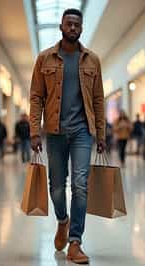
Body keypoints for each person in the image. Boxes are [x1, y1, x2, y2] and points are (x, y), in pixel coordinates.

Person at [29, 9, 105, 264]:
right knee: (57, 187)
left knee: (80, 185)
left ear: (81, 29)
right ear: (61, 27)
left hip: (83, 132)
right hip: (54, 132)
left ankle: (75, 242)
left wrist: (101, 133)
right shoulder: (44, 59)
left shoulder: (92, 60)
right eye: (69, 24)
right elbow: (36, 96)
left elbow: (98, 100)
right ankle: (63, 219)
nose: (73, 28)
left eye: (77, 25)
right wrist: (33, 131)